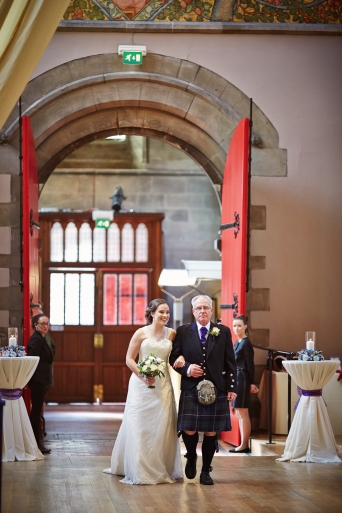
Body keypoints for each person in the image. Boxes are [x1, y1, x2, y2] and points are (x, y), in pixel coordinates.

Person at [103, 299, 184, 484]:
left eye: (168, 312)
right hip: (141, 385)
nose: (166, 316)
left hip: (163, 385)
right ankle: (138, 468)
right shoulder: (141, 333)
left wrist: (181, 356)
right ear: (152, 313)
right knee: (139, 424)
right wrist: (143, 375)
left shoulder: (171, 334)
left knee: (161, 426)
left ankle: (160, 465)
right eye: (162, 312)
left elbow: (176, 353)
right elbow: (129, 359)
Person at [169, 295, 237, 486]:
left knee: (211, 432)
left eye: (206, 307)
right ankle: (191, 457)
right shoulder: (183, 331)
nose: (203, 311)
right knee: (189, 429)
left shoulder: (222, 331)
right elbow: (173, 359)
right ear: (193, 311)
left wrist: (232, 387)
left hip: (217, 388)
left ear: (211, 310)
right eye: (199, 308)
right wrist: (187, 368)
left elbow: (230, 361)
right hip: (192, 387)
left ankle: (206, 471)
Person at [229, 315, 259, 453]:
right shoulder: (237, 343)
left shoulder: (246, 343)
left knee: (243, 412)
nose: (236, 328)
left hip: (243, 378)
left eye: (239, 325)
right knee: (240, 413)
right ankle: (242, 443)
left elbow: (250, 365)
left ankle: (244, 444)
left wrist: (252, 382)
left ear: (245, 326)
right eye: (234, 326)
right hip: (236, 377)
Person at [27, 314, 54, 455]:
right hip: (37, 381)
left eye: (47, 323)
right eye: (42, 323)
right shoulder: (36, 339)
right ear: (35, 325)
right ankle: (35, 443)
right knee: (36, 412)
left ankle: (36, 442)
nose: (45, 326)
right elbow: (33, 360)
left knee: (37, 411)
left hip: (41, 380)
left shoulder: (41, 338)